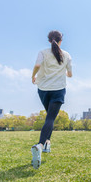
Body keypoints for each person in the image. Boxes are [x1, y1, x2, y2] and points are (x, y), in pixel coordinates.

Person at [30, 30, 72, 169]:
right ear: (61, 40)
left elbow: (37, 66)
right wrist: (64, 72)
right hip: (58, 89)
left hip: (43, 89)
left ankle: (47, 143)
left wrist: (33, 77)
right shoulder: (66, 55)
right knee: (50, 119)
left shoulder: (43, 52)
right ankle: (40, 145)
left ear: (49, 41)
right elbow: (70, 74)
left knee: (50, 117)